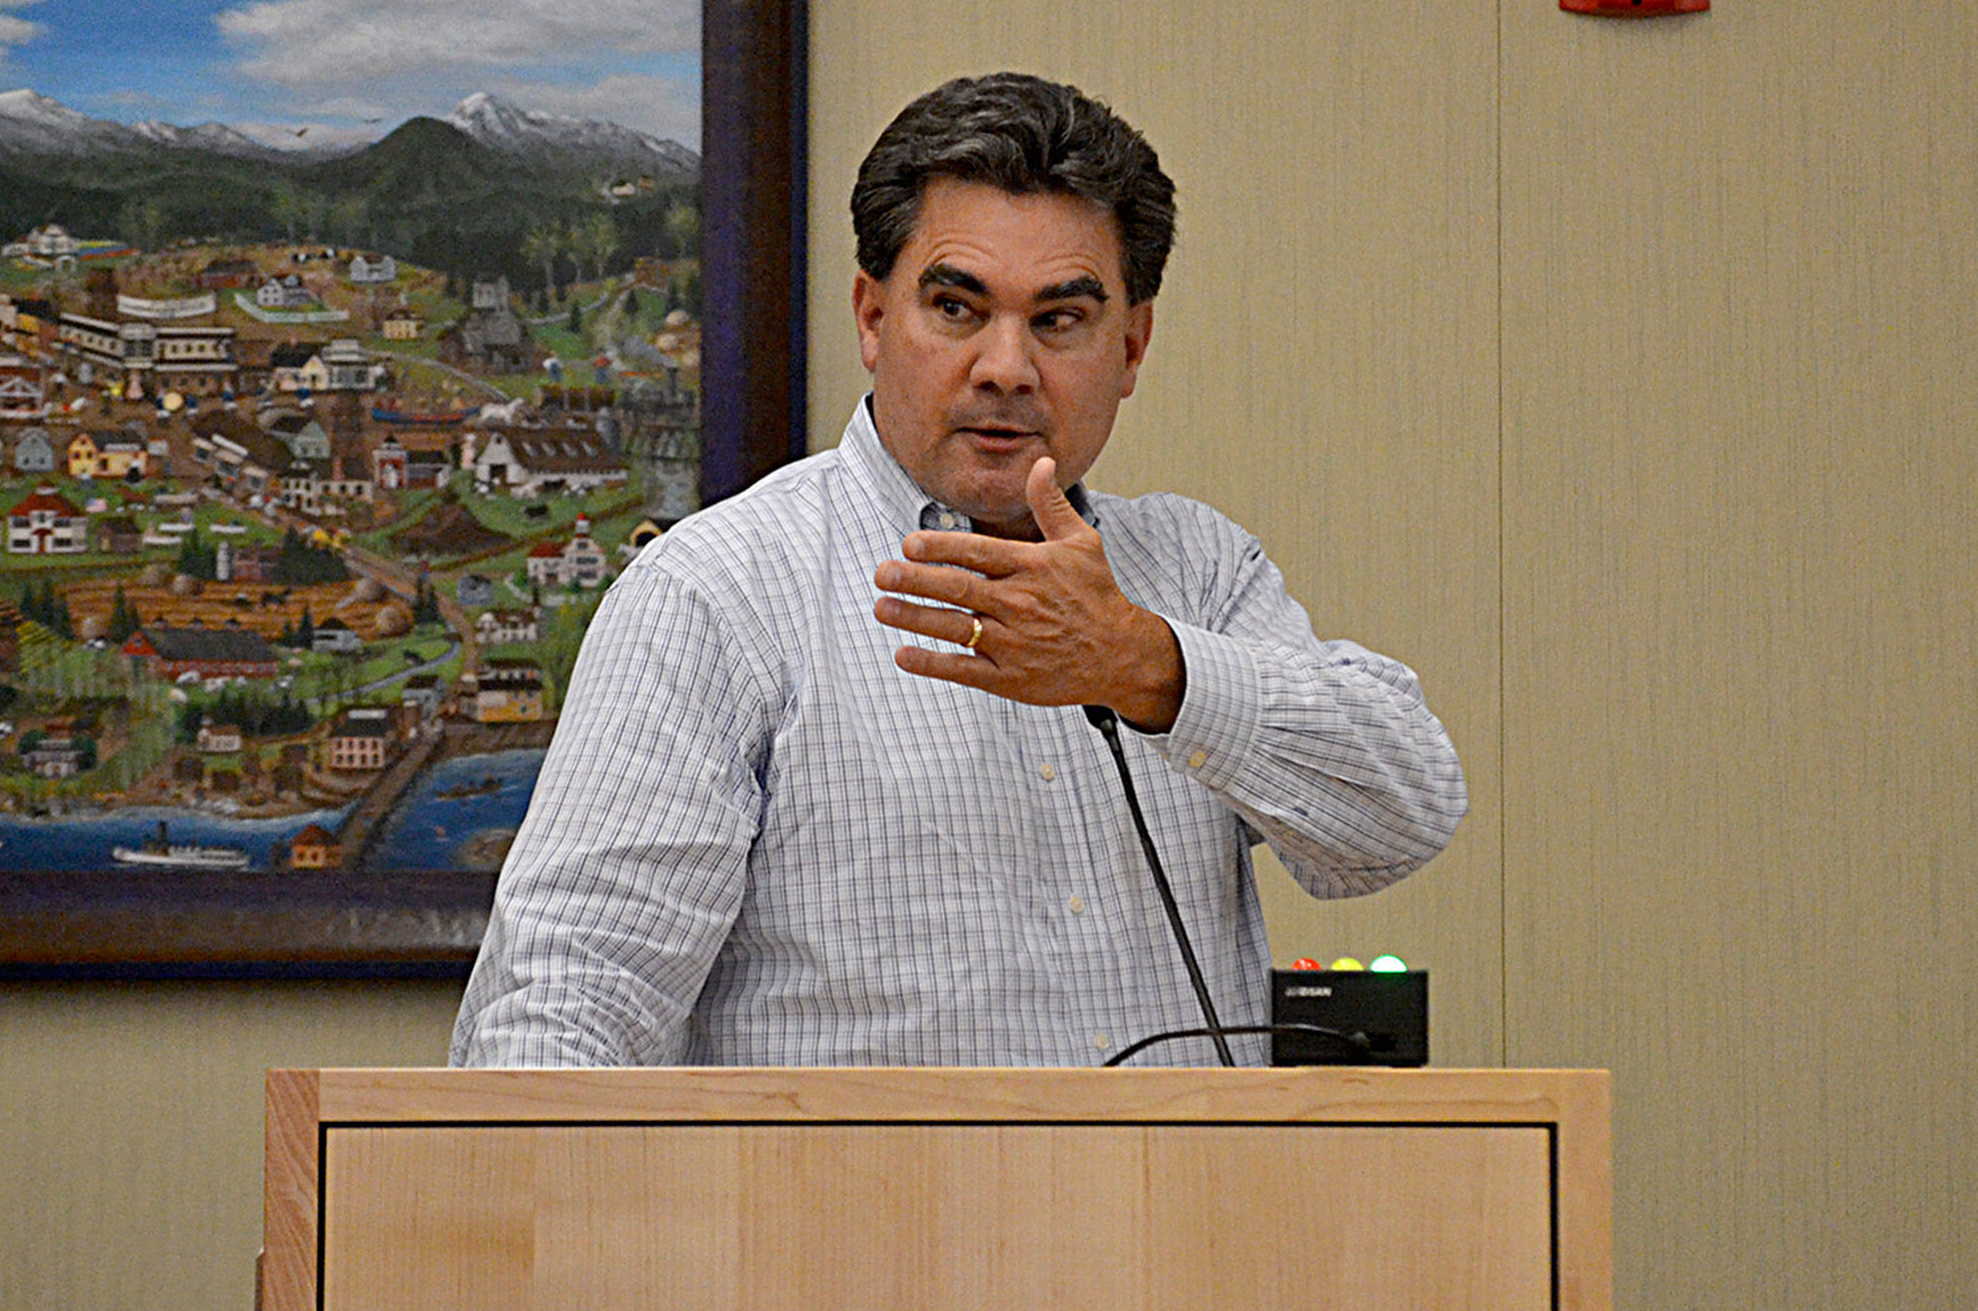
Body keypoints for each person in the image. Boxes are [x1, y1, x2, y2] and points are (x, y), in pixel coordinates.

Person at [450, 72, 1465, 1069]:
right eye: (956, 308)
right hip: (845, 1232)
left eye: (1059, 321)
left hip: (1178, 1225)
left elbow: (1400, 817)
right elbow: (567, 997)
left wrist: (1149, 670)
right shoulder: (716, 593)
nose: (1005, 368)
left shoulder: (1194, 569)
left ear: (1132, 347)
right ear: (871, 318)